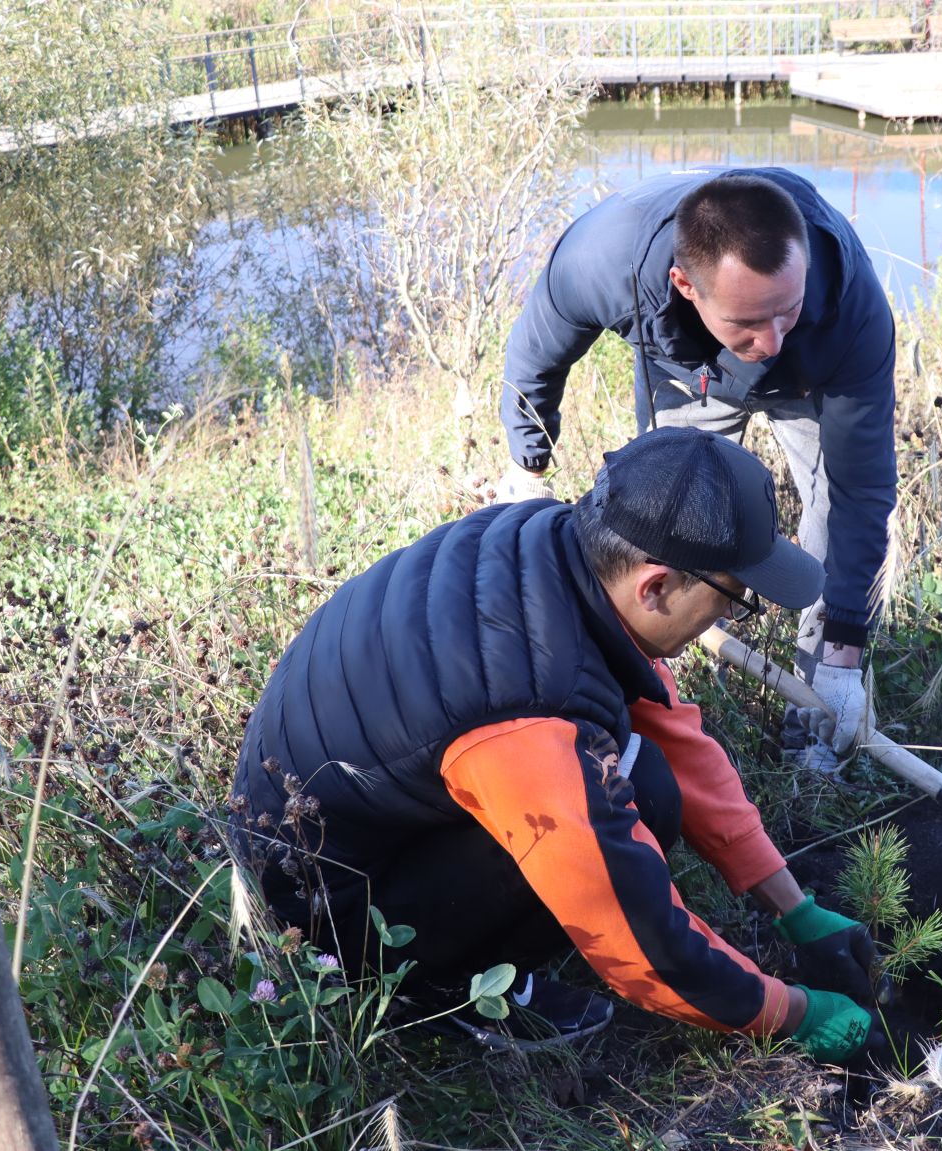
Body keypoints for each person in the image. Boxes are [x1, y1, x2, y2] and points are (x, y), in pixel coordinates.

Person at [232, 428, 884, 1061]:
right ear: (654, 586)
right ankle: (443, 992)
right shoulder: (522, 713)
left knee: (649, 773)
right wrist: (793, 1013)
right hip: (323, 920)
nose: (730, 618)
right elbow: (641, 943)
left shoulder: (549, 549)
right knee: (621, 803)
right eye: (734, 601)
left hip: (355, 831)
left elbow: (675, 737)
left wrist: (796, 911)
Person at [495, 168, 897, 769]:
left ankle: (817, 711)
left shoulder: (848, 305)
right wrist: (529, 462)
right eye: (749, 323)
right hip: (691, 369)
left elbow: (859, 490)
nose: (772, 338)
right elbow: (535, 355)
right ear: (685, 284)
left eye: (784, 309)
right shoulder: (606, 260)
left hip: (818, 374)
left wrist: (845, 642)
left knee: (830, 513)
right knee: (675, 517)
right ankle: (654, 688)